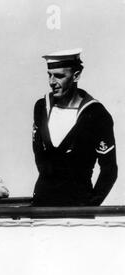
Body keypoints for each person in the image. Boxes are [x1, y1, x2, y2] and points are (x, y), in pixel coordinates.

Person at [32, 48, 117, 206]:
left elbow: (109, 170)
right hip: (41, 204)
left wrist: (90, 206)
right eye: (49, 75)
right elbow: (40, 156)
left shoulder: (97, 114)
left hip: (78, 208)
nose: (52, 82)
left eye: (59, 76)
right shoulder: (41, 107)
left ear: (76, 75)